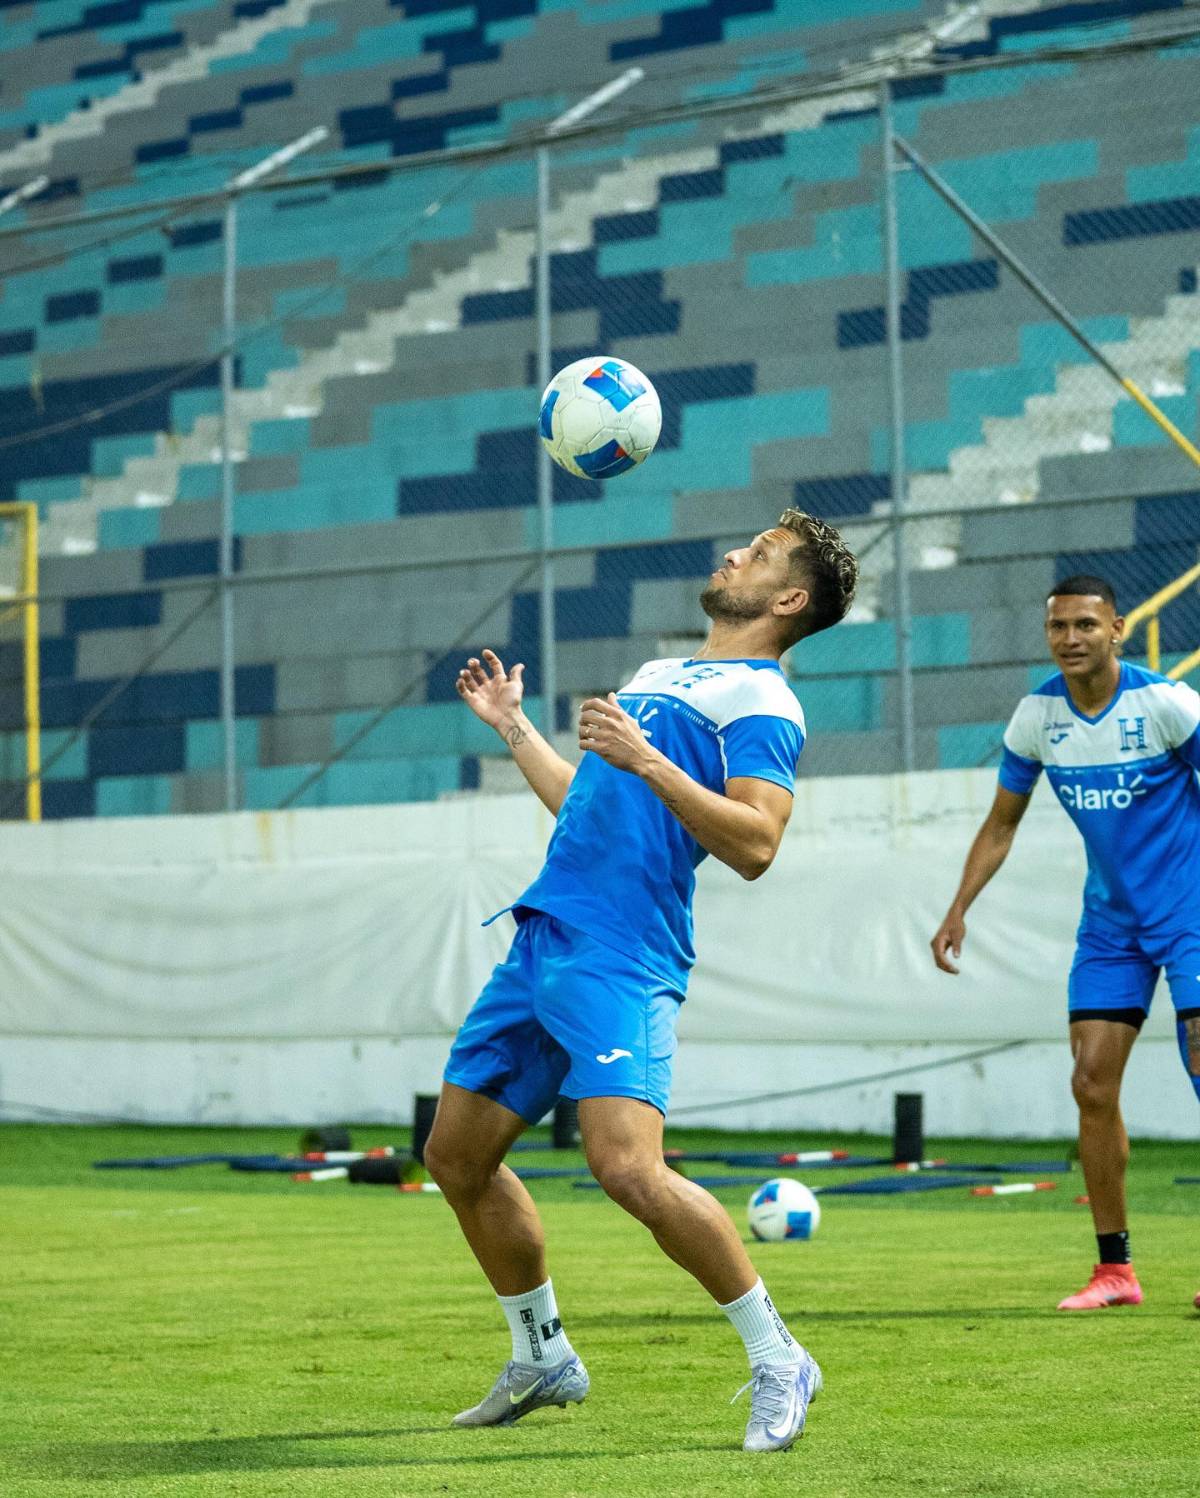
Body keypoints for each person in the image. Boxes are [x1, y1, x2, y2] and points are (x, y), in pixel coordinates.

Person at [423, 509, 858, 1451]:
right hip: (545, 936)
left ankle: (779, 1355)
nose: (734, 550)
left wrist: (648, 757)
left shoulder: (765, 702)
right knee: (455, 1158)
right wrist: (516, 732)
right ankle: (542, 1355)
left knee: (626, 1167)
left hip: (623, 952)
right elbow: (587, 802)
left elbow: (756, 844)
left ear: (788, 600)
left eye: (763, 555)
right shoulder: (663, 674)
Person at [930, 575, 1200, 1312]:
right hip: (1112, 927)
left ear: (1118, 628)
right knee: (1090, 1084)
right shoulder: (1038, 717)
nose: (1071, 638)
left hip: (1190, 913)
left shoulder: (1168, 705)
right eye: (1059, 627)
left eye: (1086, 624)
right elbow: (1002, 824)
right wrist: (959, 908)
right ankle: (1116, 1271)